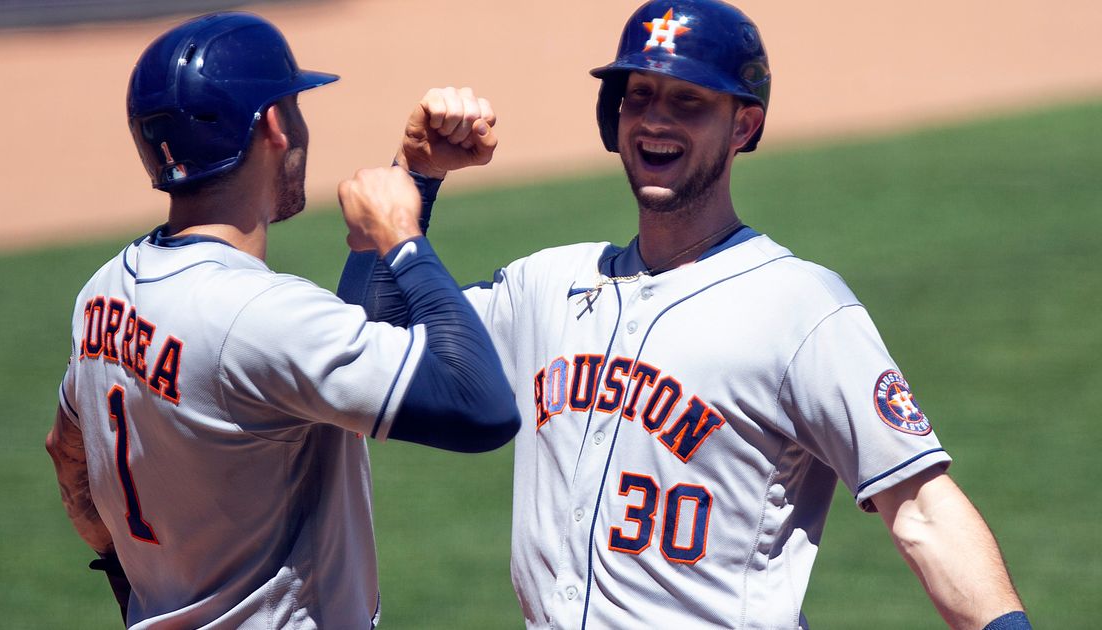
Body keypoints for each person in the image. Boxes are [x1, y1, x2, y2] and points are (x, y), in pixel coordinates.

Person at [338, 1, 1032, 628]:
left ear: (745, 125)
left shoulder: (800, 307)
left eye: (688, 101)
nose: (657, 120)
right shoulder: (545, 285)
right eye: (639, 96)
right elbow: (366, 357)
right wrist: (417, 173)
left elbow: (923, 513)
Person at [44, 12, 518, 629]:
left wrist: (416, 172)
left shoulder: (102, 293)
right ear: (272, 124)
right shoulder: (257, 316)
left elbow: (66, 451)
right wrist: (401, 239)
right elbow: (479, 406)